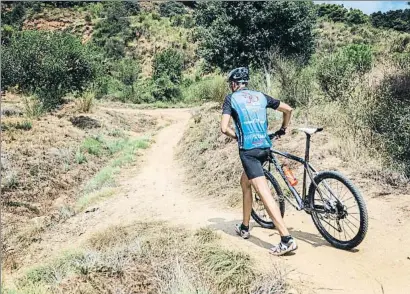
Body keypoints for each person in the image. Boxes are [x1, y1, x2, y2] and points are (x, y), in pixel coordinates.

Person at [220, 67, 297, 256]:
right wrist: (282, 129)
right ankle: (245, 227)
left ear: (234, 84)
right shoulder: (260, 96)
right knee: (244, 182)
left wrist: (238, 137)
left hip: (249, 152)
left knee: (263, 193)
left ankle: (286, 239)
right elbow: (288, 109)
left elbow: (224, 128)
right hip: (265, 147)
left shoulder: (231, 99)